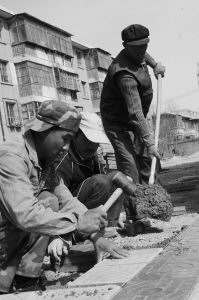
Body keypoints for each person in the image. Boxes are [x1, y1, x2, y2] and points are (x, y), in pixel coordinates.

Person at [0, 100, 128, 294]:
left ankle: (24, 280)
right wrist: (77, 223)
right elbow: (24, 214)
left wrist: (96, 237)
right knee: (43, 204)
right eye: (65, 138)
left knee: (49, 199)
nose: (67, 148)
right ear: (44, 130)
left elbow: (67, 201)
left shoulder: (45, 162)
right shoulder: (11, 157)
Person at [100, 24, 164, 223]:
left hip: (134, 121)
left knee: (148, 161)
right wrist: (150, 141)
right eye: (137, 47)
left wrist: (155, 65)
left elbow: (145, 54)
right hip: (117, 124)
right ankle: (135, 216)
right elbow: (135, 113)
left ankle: (154, 207)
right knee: (130, 168)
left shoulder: (138, 52)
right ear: (125, 46)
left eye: (145, 46)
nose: (142, 51)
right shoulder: (124, 74)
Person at [56, 111, 124, 229]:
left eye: (96, 142)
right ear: (76, 135)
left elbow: (103, 192)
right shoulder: (63, 159)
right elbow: (58, 200)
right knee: (101, 182)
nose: (93, 146)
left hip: (85, 205)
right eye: (89, 141)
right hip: (69, 209)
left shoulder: (92, 156)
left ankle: (111, 223)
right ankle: (85, 229)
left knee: (118, 181)